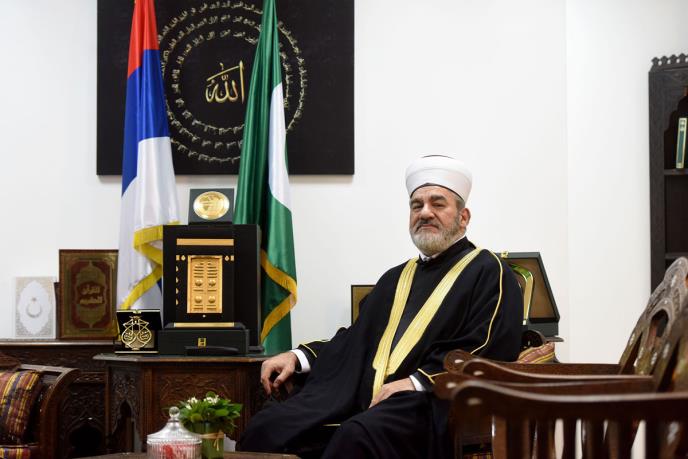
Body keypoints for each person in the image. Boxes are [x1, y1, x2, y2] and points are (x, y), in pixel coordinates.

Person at [239, 155, 523, 458]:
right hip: (368, 401)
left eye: (438, 204)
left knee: (357, 436)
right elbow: (354, 341)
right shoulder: (395, 278)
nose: (425, 212)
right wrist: (298, 357)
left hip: (433, 403)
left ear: (463, 217)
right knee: (269, 426)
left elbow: (487, 347)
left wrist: (415, 382)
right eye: (416, 205)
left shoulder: (489, 271)